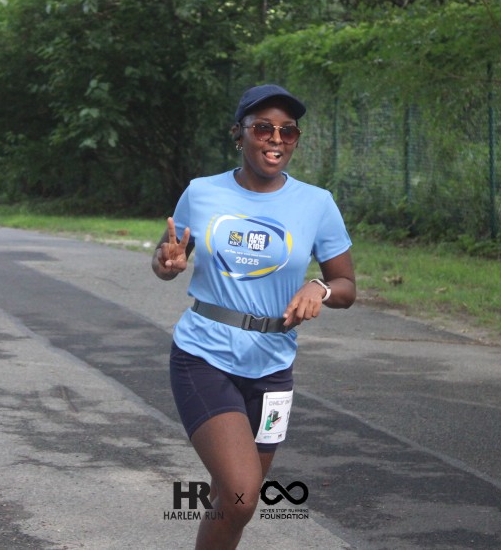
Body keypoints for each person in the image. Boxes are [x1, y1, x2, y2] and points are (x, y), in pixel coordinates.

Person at [152, 84, 356, 549]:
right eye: (263, 128)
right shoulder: (202, 192)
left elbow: (346, 286)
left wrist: (319, 287)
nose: (276, 139)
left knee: (235, 499)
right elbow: (166, 258)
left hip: (273, 367)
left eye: (288, 131)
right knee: (240, 495)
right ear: (239, 134)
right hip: (205, 355)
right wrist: (167, 263)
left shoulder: (317, 203)